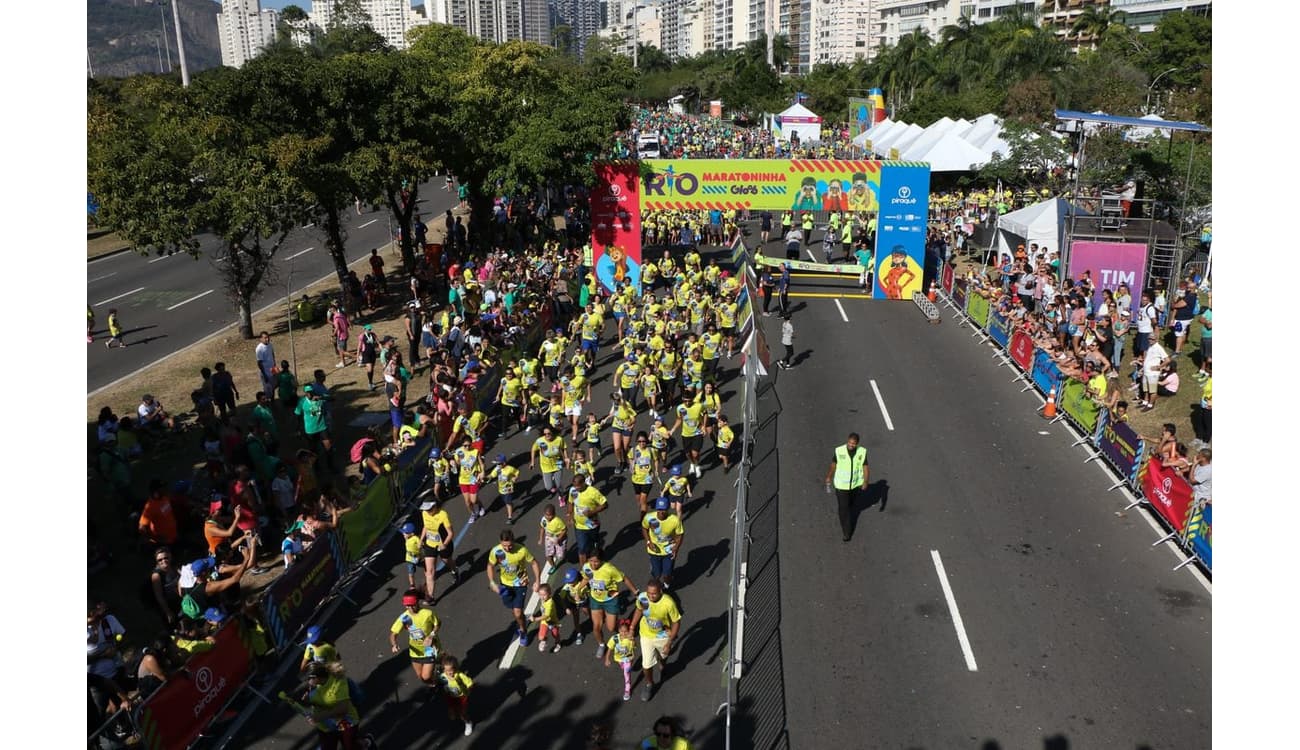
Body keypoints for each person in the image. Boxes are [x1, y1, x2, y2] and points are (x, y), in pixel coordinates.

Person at [486, 529, 542, 647]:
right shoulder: (496, 551)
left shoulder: (522, 550)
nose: (507, 549)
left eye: (510, 545)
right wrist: (492, 582)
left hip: (520, 584)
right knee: (513, 609)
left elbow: (534, 563)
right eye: (504, 546)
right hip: (505, 585)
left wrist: (538, 580)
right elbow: (490, 566)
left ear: (514, 541)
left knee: (517, 612)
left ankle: (523, 631)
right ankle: (521, 620)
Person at [629, 580, 683, 702]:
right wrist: (632, 627)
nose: (650, 596)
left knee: (663, 656)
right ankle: (649, 684)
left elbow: (676, 622)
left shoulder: (668, 603)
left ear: (660, 591)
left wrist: (669, 643)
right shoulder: (643, 597)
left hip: (662, 636)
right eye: (649, 593)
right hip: (646, 635)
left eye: (654, 594)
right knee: (646, 664)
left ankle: (662, 665)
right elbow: (638, 610)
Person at [583, 545, 638, 658]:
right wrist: (578, 589)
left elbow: (624, 579)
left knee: (611, 628)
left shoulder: (609, 569)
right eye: (591, 561)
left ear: (601, 560)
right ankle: (602, 644)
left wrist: (635, 592)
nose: (593, 564)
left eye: (596, 562)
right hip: (595, 599)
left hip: (610, 600)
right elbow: (586, 578)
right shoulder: (586, 567)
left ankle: (620, 622)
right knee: (596, 627)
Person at [389, 588, 441, 688]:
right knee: (421, 677)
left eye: (413, 604)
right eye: (408, 605)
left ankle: (438, 678)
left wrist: (431, 635)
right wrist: (394, 644)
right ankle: (434, 684)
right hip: (415, 652)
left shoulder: (427, 613)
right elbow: (393, 634)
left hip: (429, 649)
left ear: (417, 602)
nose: (411, 608)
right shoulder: (404, 618)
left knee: (426, 676)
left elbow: (437, 624)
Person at [824, 432, 869, 542]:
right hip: (841, 485)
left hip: (854, 485)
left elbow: (865, 467)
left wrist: (866, 481)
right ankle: (847, 533)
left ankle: (847, 515)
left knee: (850, 505)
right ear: (847, 441)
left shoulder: (862, 452)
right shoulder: (839, 451)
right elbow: (833, 464)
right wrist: (829, 476)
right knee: (843, 509)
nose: (850, 445)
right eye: (849, 442)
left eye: (853, 443)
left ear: (857, 444)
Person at [642, 497, 684, 589]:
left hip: (668, 550)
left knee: (667, 574)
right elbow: (644, 528)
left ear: (668, 509)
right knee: (656, 575)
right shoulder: (649, 517)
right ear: (656, 508)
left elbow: (680, 534)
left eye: (664, 509)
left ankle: (666, 585)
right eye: (659, 509)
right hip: (654, 551)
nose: (661, 512)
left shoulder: (675, 520)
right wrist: (648, 541)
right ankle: (658, 586)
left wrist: (676, 547)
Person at [568, 473, 609, 564]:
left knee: (593, 546)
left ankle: (597, 559)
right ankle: (584, 571)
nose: (576, 489)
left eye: (578, 487)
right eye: (574, 486)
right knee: (582, 548)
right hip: (579, 526)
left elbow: (605, 504)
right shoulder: (573, 490)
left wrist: (591, 512)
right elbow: (571, 503)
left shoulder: (593, 492)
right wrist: (570, 515)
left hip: (592, 525)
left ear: (583, 483)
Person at [438, 654, 475, 736]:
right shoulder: (443, 676)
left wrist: (468, 690)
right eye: (446, 670)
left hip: (461, 697)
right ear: (443, 669)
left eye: (451, 670)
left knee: (462, 714)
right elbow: (440, 682)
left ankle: (468, 723)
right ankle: (452, 711)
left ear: (455, 668)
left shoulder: (460, 675)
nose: (449, 673)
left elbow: (470, 683)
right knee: (451, 708)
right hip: (450, 696)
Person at [603, 618, 639, 702]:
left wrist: (633, 640)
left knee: (626, 671)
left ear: (628, 631)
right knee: (624, 668)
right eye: (622, 631)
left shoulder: (630, 639)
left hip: (628, 658)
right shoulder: (615, 638)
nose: (624, 633)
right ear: (619, 630)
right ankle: (626, 668)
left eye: (626, 631)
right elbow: (609, 649)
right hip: (619, 659)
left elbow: (635, 646)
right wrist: (607, 659)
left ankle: (627, 689)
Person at [531, 583, 565, 653]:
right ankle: (544, 640)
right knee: (541, 637)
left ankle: (558, 643)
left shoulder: (550, 603)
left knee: (555, 635)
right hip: (545, 622)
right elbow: (539, 591)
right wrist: (536, 588)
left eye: (544, 595)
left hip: (553, 623)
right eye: (540, 595)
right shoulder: (543, 599)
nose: (542, 597)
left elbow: (546, 616)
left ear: (549, 594)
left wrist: (535, 619)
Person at [537, 503, 567, 576]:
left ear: (554, 514)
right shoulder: (544, 519)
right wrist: (541, 539)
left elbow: (565, 530)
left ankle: (563, 552)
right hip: (549, 538)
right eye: (546, 515)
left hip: (559, 538)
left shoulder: (558, 521)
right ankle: (553, 566)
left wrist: (559, 538)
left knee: (560, 556)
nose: (548, 517)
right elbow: (542, 528)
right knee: (548, 555)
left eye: (550, 515)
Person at [255, 332, 276, 397]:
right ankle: (267, 403)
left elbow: (272, 354)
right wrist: (264, 374)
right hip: (266, 373)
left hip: (272, 370)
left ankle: (273, 401)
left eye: (268, 337)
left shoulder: (270, 345)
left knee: (273, 387)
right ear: (261, 339)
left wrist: (274, 366)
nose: (267, 339)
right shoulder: (259, 349)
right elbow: (259, 363)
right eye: (265, 338)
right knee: (267, 390)